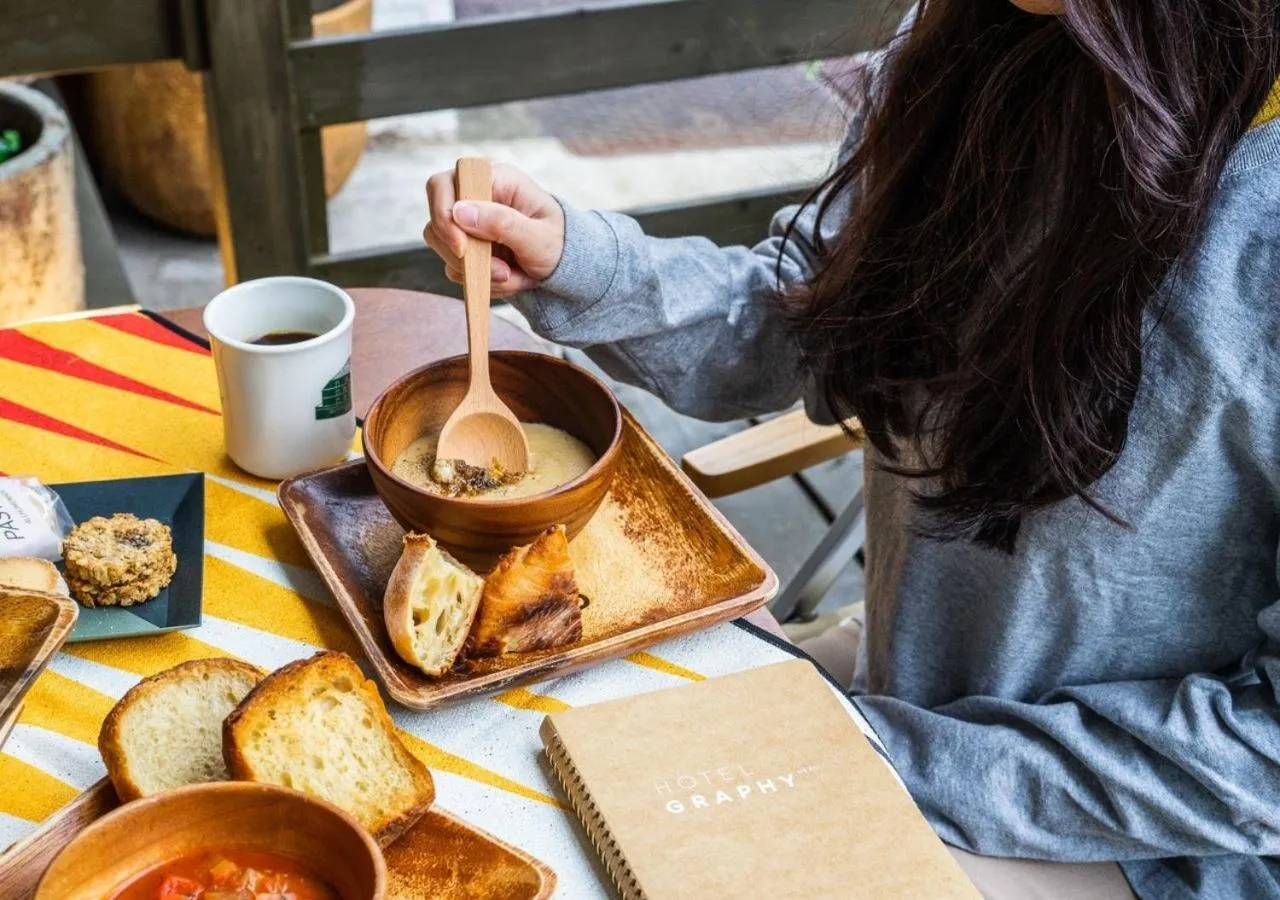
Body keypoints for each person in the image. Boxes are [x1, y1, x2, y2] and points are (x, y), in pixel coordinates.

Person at [424, 1, 1280, 896]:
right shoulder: (975, 33)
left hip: (1147, 840)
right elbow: (827, 322)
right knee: (519, 779)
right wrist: (579, 263)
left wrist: (887, 759)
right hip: (901, 689)